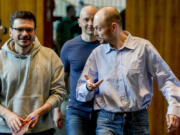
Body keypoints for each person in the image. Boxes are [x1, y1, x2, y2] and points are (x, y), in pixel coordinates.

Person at [76, 7, 180, 135]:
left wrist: (174, 108)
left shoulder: (143, 48)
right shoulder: (97, 54)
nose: (95, 33)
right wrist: (88, 87)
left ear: (113, 27)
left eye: (99, 28)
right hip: (107, 121)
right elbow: (80, 93)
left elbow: (167, 79)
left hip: (138, 121)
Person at [0, 10, 66, 135]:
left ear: (35, 32)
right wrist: (7, 115)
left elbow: (59, 92)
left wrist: (39, 112)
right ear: (10, 32)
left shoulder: (51, 57)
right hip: (5, 130)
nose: (25, 34)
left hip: (42, 129)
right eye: (19, 29)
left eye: (29, 30)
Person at [54, 6, 99, 135]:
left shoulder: (107, 46)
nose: (90, 24)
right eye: (86, 19)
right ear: (79, 22)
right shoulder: (69, 46)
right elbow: (61, 80)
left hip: (103, 112)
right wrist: (56, 110)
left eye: (94, 19)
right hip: (76, 111)